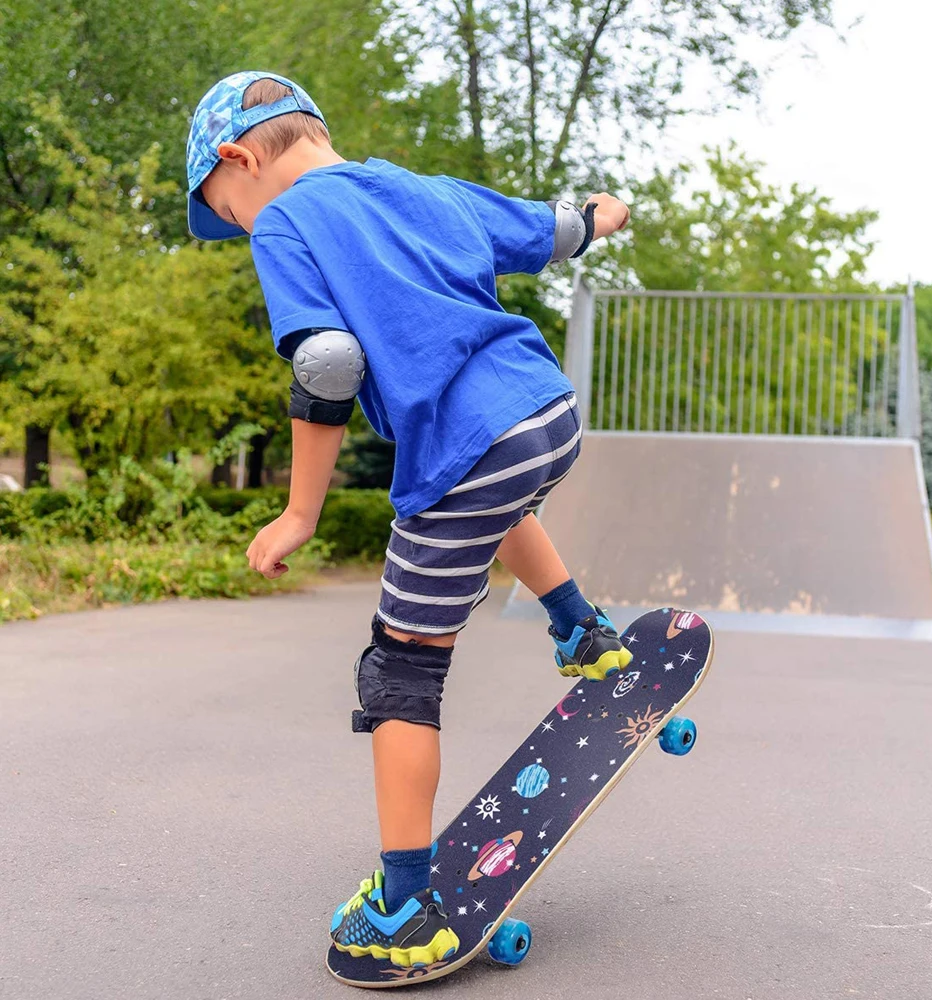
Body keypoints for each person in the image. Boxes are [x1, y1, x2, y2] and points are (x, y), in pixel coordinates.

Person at [186, 70, 633, 968]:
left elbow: (327, 360)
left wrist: (300, 511)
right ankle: (582, 631)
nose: (239, 227)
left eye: (225, 211)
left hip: (466, 448)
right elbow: (553, 231)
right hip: (546, 415)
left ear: (240, 159)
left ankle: (402, 905)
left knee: (399, 675)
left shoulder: (286, 223)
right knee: (487, 502)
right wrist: (604, 211)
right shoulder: (423, 189)